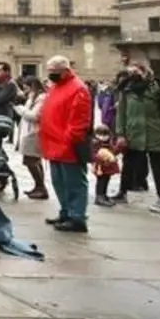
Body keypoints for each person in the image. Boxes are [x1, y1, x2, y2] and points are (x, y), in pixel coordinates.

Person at [39, 55, 93, 233]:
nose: (51, 75)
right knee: (59, 182)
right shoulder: (56, 87)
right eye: (49, 72)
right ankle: (66, 212)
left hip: (67, 144)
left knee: (74, 183)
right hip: (53, 142)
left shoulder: (78, 88)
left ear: (65, 70)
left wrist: (69, 139)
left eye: (54, 72)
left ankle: (77, 217)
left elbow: (79, 119)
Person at [114, 63, 160, 211]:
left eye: (135, 71)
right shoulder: (127, 88)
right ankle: (122, 193)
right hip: (133, 133)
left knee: (158, 167)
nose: (132, 75)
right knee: (128, 165)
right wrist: (120, 134)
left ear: (144, 71)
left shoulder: (157, 87)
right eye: (129, 72)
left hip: (155, 133)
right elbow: (121, 113)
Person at [15, 77, 48, 199]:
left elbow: (34, 116)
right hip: (28, 131)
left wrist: (20, 108)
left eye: (27, 87)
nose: (25, 90)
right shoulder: (32, 97)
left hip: (34, 132)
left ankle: (41, 187)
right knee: (33, 160)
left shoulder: (42, 98)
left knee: (31, 161)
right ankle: (39, 186)